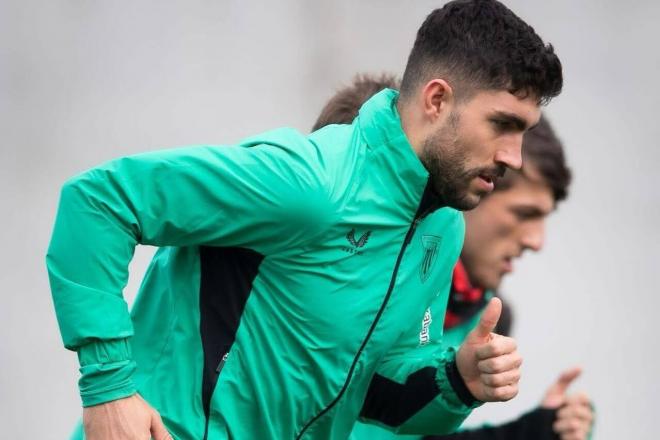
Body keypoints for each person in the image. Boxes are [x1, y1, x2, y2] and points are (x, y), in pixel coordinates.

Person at [46, 1, 562, 439]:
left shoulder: (442, 228)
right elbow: (100, 202)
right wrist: (109, 388)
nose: (514, 156)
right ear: (437, 100)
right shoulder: (309, 182)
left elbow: (376, 389)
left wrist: (457, 379)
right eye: (503, 124)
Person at [316, 75, 593, 439]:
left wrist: (537, 431)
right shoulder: (325, 277)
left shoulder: (490, 321)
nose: (537, 241)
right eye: (525, 213)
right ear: (469, 191)